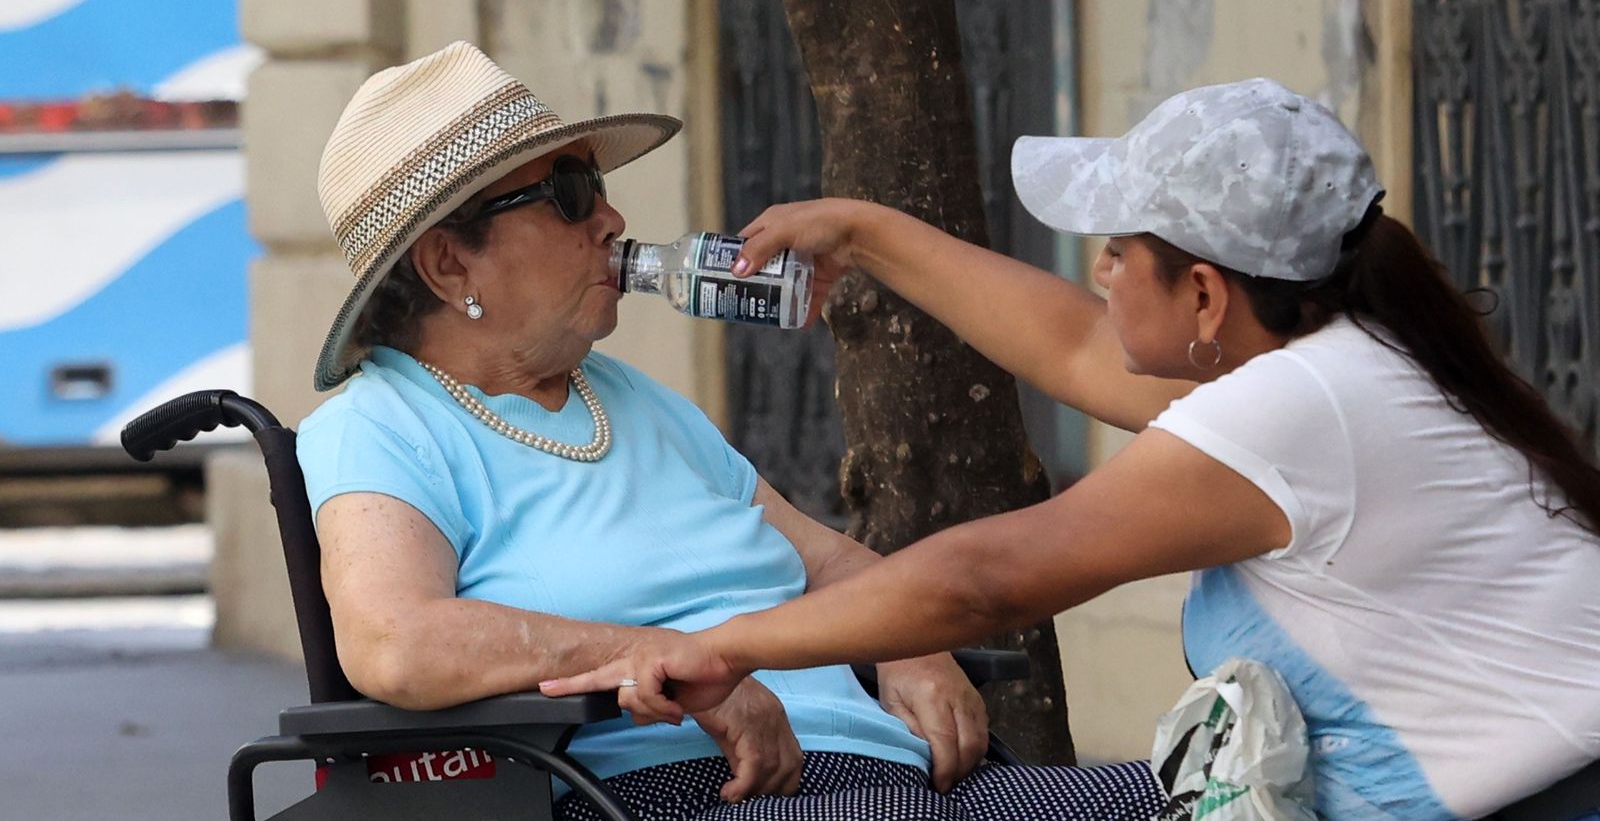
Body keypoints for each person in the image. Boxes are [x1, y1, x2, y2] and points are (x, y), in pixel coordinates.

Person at [543, 79, 1600, 820]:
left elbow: (990, 575)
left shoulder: (1290, 411)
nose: (1097, 270)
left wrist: (725, 646)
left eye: (1119, 249)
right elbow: (1077, 344)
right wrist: (864, 233)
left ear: (1202, 293)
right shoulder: (1333, 355)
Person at [296, 40, 1163, 821]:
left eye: (597, 186)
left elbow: (827, 559)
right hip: (681, 787)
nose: (612, 218)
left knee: (1199, 797)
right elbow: (394, 641)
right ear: (450, 263)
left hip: (878, 770)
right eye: (567, 194)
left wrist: (915, 642)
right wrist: (662, 659)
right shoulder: (381, 424)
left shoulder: (627, 399)